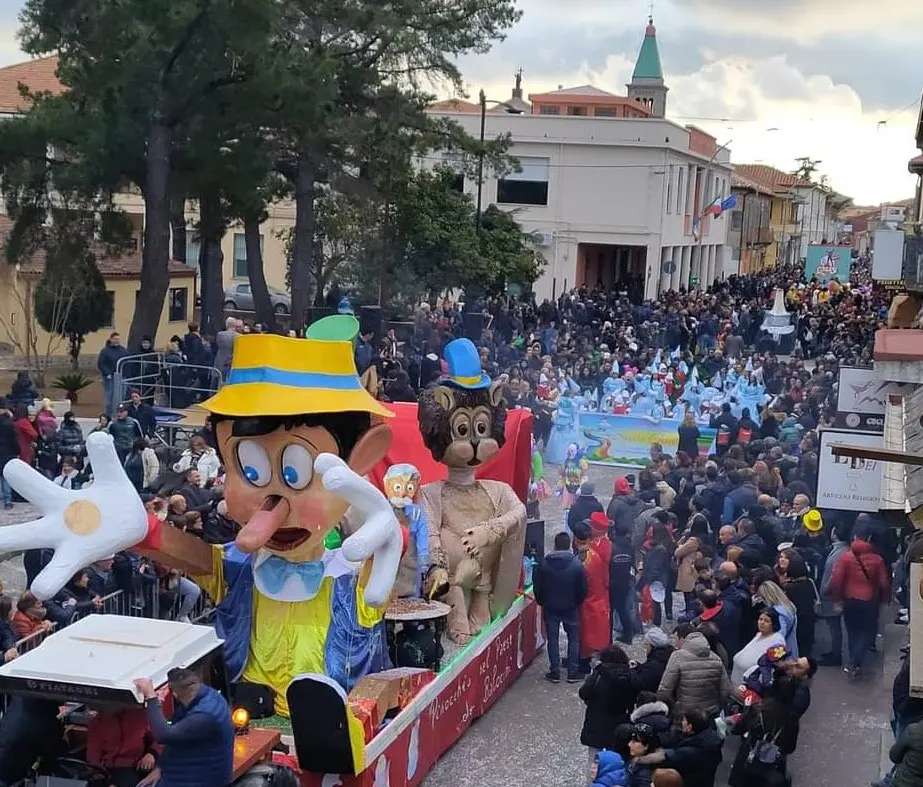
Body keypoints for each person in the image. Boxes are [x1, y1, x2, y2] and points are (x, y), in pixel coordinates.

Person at [133, 668, 234, 787]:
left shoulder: (204, 716)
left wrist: (151, 696)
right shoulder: (208, 696)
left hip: (199, 779)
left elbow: (164, 735)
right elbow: (176, 738)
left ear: (175, 693)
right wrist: (160, 767)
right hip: (190, 769)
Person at [828, 525, 891, 680]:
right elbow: (884, 583)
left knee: (852, 631)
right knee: (866, 632)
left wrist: (837, 599)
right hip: (869, 601)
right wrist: (884, 600)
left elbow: (836, 581)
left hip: (850, 600)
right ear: (870, 540)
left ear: (855, 537)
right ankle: (857, 660)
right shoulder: (877, 559)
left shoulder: (846, 557)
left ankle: (853, 660)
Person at [533, 531, 588, 683]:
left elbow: (538, 587)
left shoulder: (544, 564)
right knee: (573, 639)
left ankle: (555, 672)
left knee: (553, 639)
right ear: (569, 545)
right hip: (571, 607)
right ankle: (572, 672)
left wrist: (542, 601)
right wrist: (576, 602)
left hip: (550, 608)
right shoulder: (577, 565)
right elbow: (583, 589)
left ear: (555, 545)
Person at [579, 645, 639, 774]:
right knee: (618, 758)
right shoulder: (630, 675)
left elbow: (584, 693)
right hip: (621, 722)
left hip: (597, 721)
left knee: (594, 760)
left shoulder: (599, 674)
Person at [657, 623, 731, 717]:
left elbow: (664, 691)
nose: (675, 644)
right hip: (711, 714)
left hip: (686, 717)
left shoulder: (677, 656)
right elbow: (726, 691)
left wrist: (674, 708)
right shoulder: (716, 658)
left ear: (683, 639)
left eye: (676, 639)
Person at [637, 709, 722, 787]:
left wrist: (640, 759)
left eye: (684, 720)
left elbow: (666, 758)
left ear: (690, 727)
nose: (682, 722)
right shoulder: (712, 739)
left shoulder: (687, 752)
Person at [573, 520, 611, 672]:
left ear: (575, 539)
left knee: (584, 635)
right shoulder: (595, 555)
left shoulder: (581, 560)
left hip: (586, 602)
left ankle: (583, 664)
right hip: (598, 599)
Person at [776, 549, 817, 658]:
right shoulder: (807, 582)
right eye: (781, 557)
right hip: (807, 622)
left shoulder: (793, 587)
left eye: (786, 558)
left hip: (798, 623)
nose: (782, 560)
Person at [818, 525, 849, 667]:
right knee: (833, 626)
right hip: (833, 594)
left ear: (835, 534)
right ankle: (834, 651)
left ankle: (836, 654)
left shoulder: (839, 553)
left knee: (834, 627)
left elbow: (834, 575)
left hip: (832, 595)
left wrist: (825, 589)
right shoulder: (840, 550)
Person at [732, 608, 787, 685]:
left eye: (766, 621)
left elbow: (772, 668)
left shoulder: (778, 640)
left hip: (752, 686)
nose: (762, 623)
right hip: (737, 681)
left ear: (773, 623)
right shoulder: (759, 634)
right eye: (760, 619)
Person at [632, 627, 675, 693]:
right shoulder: (667, 654)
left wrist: (631, 671)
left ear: (653, 646)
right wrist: (638, 666)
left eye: (646, 644)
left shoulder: (655, 664)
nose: (644, 647)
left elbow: (641, 682)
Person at [98, 332, 129, 415]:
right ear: (111, 339)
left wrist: (126, 374)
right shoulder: (105, 351)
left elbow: (127, 362)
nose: (117, 341)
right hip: (110, 378)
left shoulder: (123, 350)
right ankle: (109, 414)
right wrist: (107, 373)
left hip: (122, 377)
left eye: (118, 339)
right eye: (115, 339)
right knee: (109, 397)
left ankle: (120, 413)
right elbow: (101, 363)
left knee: (121, 397)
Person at [0, 400, 18, 509]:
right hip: (7, 452)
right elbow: (13, 439)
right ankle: (8, 501)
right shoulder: (8, 423)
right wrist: (16, 451)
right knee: (5, 477)